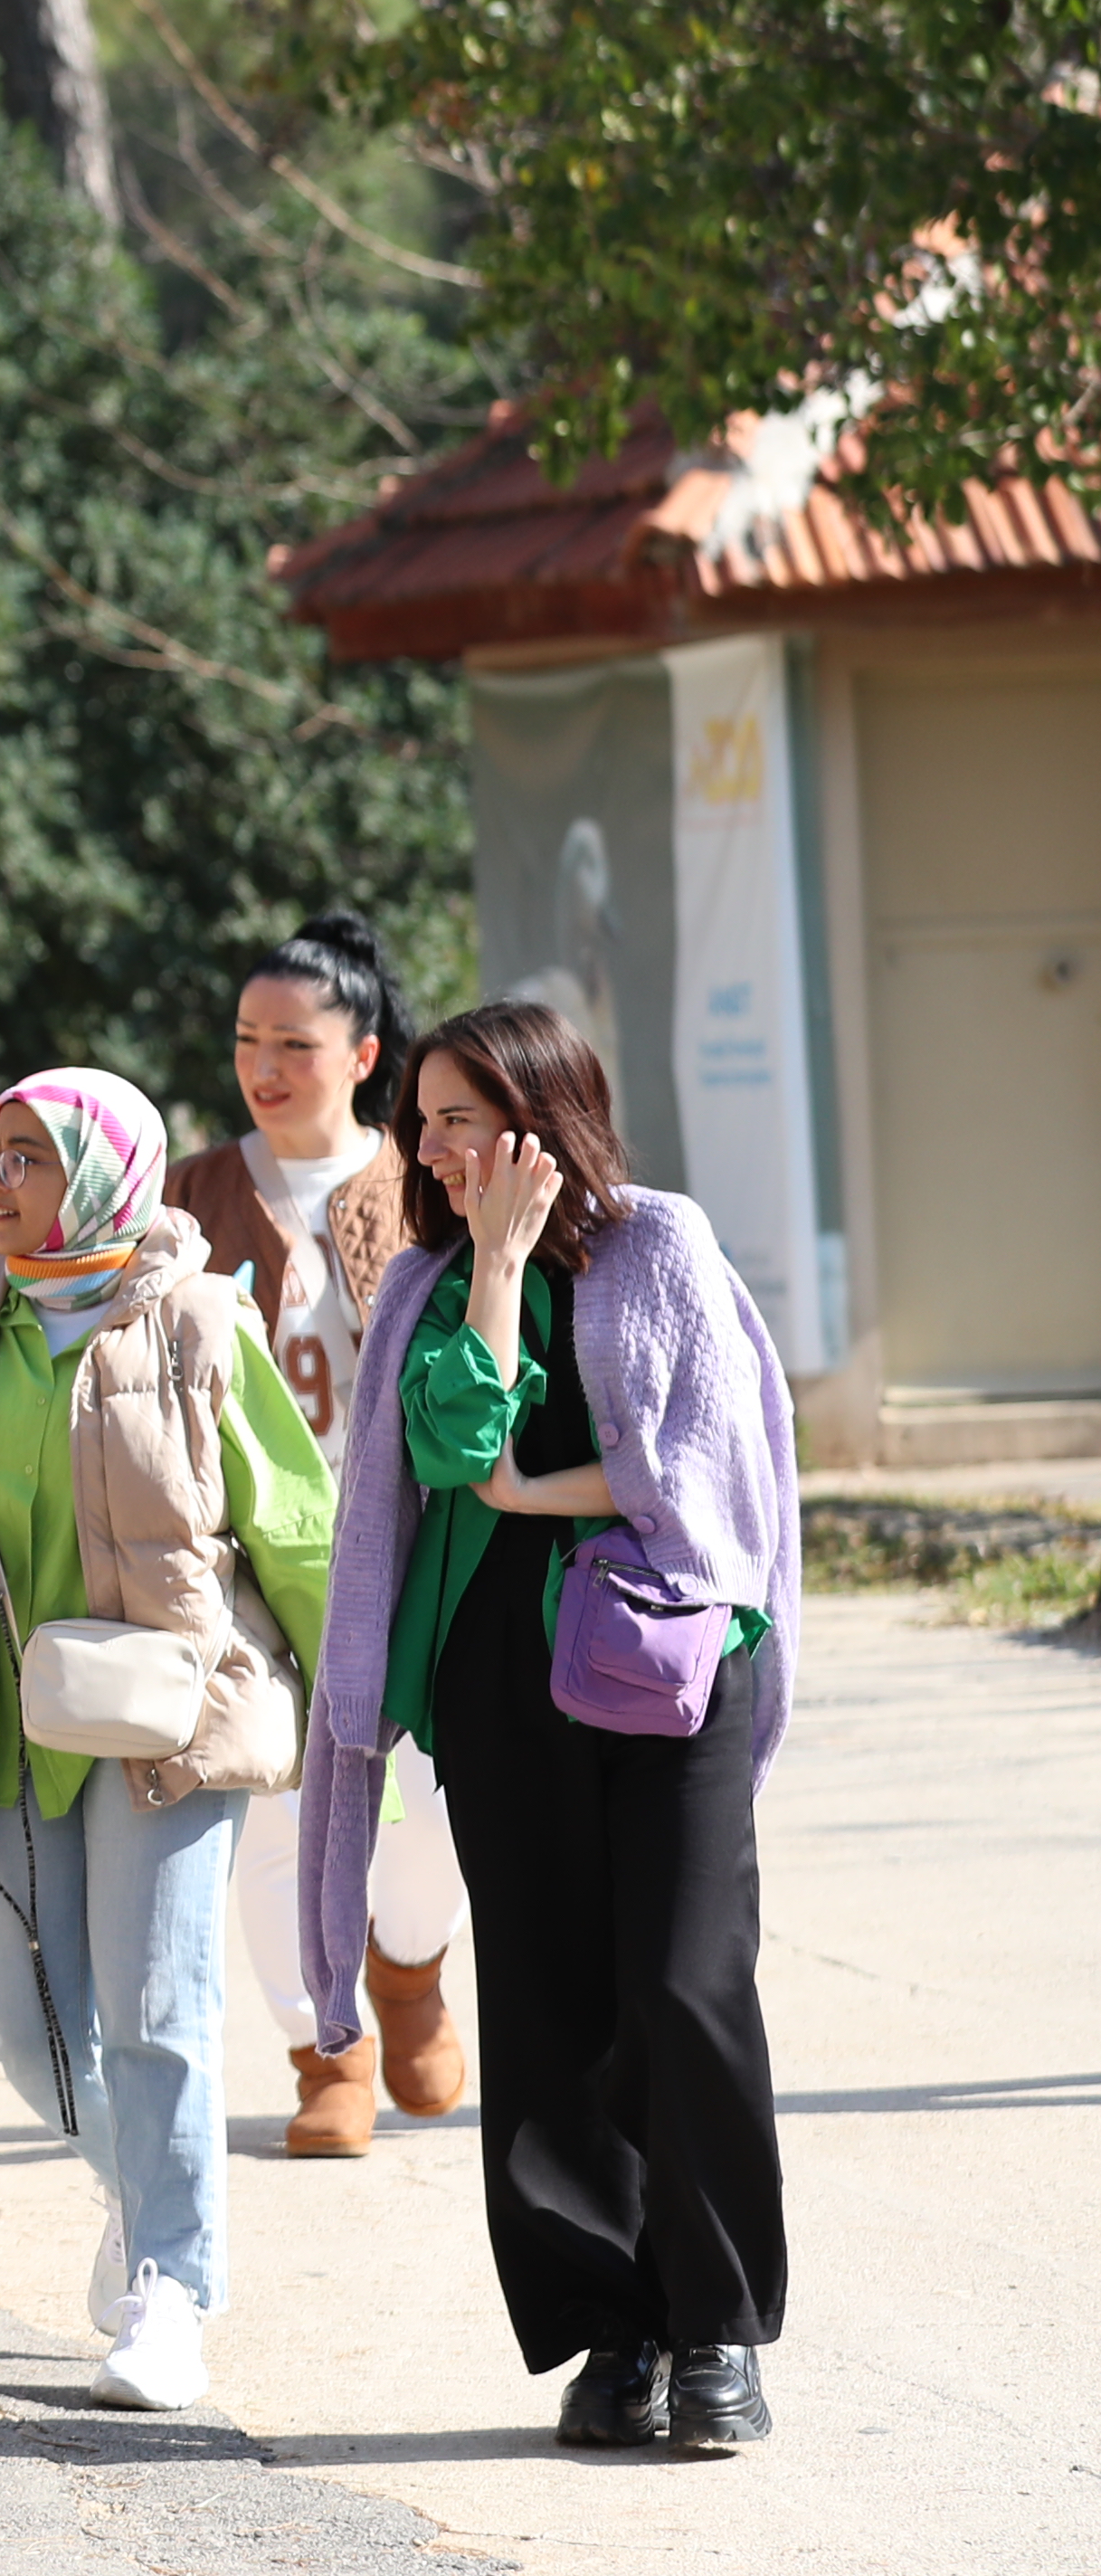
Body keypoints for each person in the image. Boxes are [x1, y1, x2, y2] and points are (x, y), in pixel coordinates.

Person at [299, 1001, 797, 2455]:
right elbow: (458, 1445)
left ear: (544, 1116)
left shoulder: (666, 1245)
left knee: (685, 1982)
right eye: (426, 1125)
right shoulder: (434, 1282)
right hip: (502, 1676)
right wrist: (503, 1269)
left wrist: (531, 1492)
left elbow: (694, 1486)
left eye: (465, 1120)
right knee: (548, 2000)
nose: (438, 1150)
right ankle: (615, 2331)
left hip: (675, 1658)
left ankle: (717, 2331)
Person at [0, 1070, 331, 2413]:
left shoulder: (197, 1323)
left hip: (167, 1718)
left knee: (157, 2012)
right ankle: (140, 2194)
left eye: (29, 1157)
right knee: (29, 2028)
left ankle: (173, 2291)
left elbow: (293, 1518)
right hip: (7, 1721)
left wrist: (359, 1702)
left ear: (100, 1174)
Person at [167, 910, 467, 2157]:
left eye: (296, 1039)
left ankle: (406, 1973)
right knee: (273, 1804)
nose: (265, 1062)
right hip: (246, 1558)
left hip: (408, 1540)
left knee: (438, 1800)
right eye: (248, 1038)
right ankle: (324, 2047)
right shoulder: (189, 1189)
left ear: (364, 1052)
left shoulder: (422, 1181)